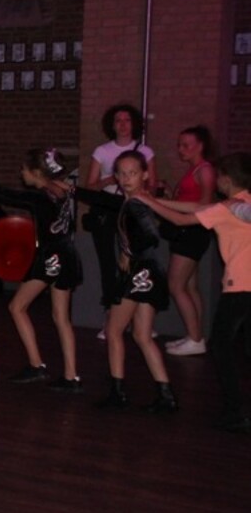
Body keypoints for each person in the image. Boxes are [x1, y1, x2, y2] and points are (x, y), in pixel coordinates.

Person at [138, 153, 251, 432]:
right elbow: (194, 207)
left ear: (226, 179)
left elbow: (180, 220)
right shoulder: (240, 202)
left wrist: (149, 202)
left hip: (240, 287)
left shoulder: (229, 207)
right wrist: (153, 199)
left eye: (219, 176)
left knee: (221, 347)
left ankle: (235, 411)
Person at [0, 148, 84, 391]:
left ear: (37, 172)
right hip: (68, 254)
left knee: (17, 307)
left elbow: (0, 193)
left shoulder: (39, 196)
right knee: (61, 317)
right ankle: (71, 377)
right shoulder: (62, 191)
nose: (21, 172)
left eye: (24, 169)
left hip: (52, 258)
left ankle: (37, 365)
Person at [77, 151, 177, 414]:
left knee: (113, 331)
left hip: (139, 272)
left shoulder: (137, 203)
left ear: (144, 174)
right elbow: (103, 200)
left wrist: (130, 252)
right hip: (149, 271)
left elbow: (151, 235)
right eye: (121, 173)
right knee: (142, 335)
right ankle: (166, 394)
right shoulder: (132, 200)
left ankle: (118, 393)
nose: (126, 178)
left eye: (132, 173)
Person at [84, 104, 157, 341]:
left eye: (127, 120)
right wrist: (110, 179)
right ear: (112, 125)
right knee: (108, 263)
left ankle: (140, 319)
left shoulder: (144, 150)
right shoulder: (102, 151)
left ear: (134, 124)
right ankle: (110, 317)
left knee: (137, 262)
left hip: (133, 207)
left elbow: (152, 185)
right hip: (107, 208)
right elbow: (90, 186)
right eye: (118, 120)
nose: (123, 125)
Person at [161, 126, 216, 357]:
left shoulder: (205, 170)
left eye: (186, 145)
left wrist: (161, 203)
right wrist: (167, 194)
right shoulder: (194, 169)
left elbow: (203, 205)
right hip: (188, 230)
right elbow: (185, 200)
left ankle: (195, 339)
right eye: (179, 145)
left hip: (193, 231)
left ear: (200, 146)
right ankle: (195, 336)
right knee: (190, 286)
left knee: (175, 285)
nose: (181, 149)